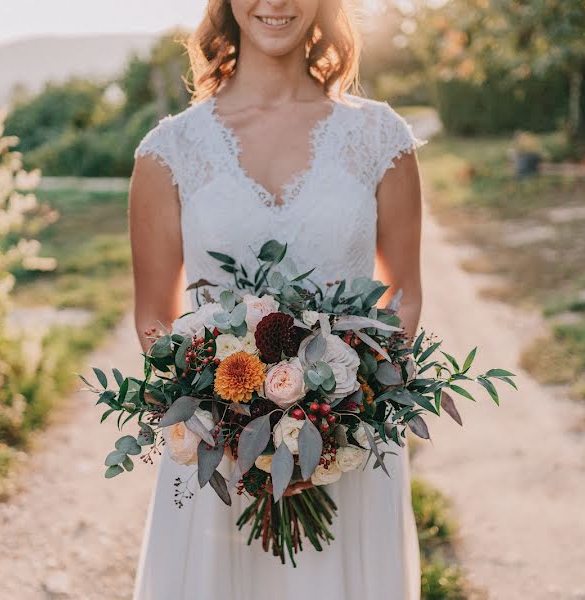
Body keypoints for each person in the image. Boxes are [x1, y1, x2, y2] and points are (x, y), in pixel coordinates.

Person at [128, 1, 425, 598]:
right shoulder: (171, 150)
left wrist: (346, 410)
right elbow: (154, 317)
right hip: (221, 457)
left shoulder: (380, 137)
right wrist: (228, 419)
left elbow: (405, 293)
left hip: (347, 449)